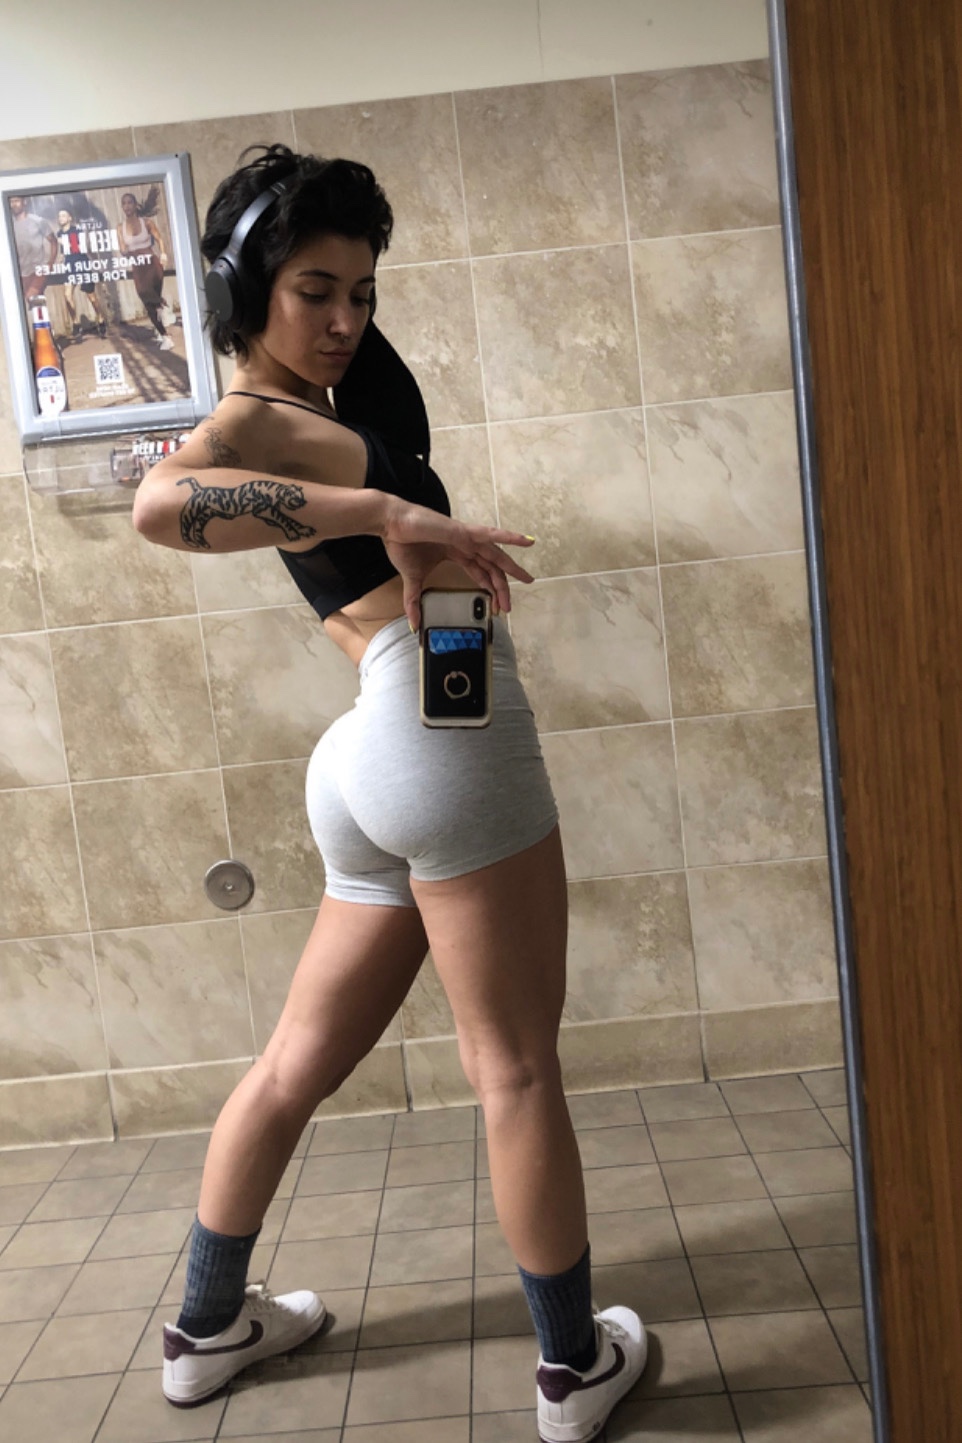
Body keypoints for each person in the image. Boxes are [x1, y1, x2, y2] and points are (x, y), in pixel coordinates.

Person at [132, 143, 647, 1443]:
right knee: (514, 1068)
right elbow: (159, 505)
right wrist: (384, 510)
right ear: (245, 291)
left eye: (361, 291)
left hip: (379, 743)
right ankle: (572, 1365)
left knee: (297, 1059)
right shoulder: (257, 416)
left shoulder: (326, 394)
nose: (345, 319)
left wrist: (395, 529)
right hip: (430, 721)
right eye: (314, 290)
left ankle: (206, 1328)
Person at [117, 187, 174, 350]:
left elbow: (159, 239)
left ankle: (164, 330)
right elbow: (122, 249)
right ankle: (164, 326)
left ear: (135, 205)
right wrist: (124, 251)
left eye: (130, 202)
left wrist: (164, 254)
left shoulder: (147, 222)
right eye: (124, 203)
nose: (127, 206)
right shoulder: (120, 227)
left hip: (152, 263)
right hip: (137, 267)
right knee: (145, 298)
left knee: (149, 298)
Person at [56, 207, 108, 340]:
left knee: (91, 297)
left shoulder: (77, 231)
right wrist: (58, 262)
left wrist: (97, 264)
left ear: (69, 218)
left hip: (82, 264)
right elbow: (63, 253)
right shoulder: (59, 234)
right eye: (59, 216)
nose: (60, 218)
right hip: (69, 266)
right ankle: (76, 324)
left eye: (63, 215)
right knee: (67, 295)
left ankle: (100, 318)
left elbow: (82, 248)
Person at [9, 194, 58, 303]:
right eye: (11, 202)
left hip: (38, 269)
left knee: (31, 296)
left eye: (16, 201)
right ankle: (42, 313)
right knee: (35, 302)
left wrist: (50, 263)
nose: (14, 204)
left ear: (24, 202)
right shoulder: (9, 224)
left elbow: (53, 241)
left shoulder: (37, 221)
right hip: (21, 271)